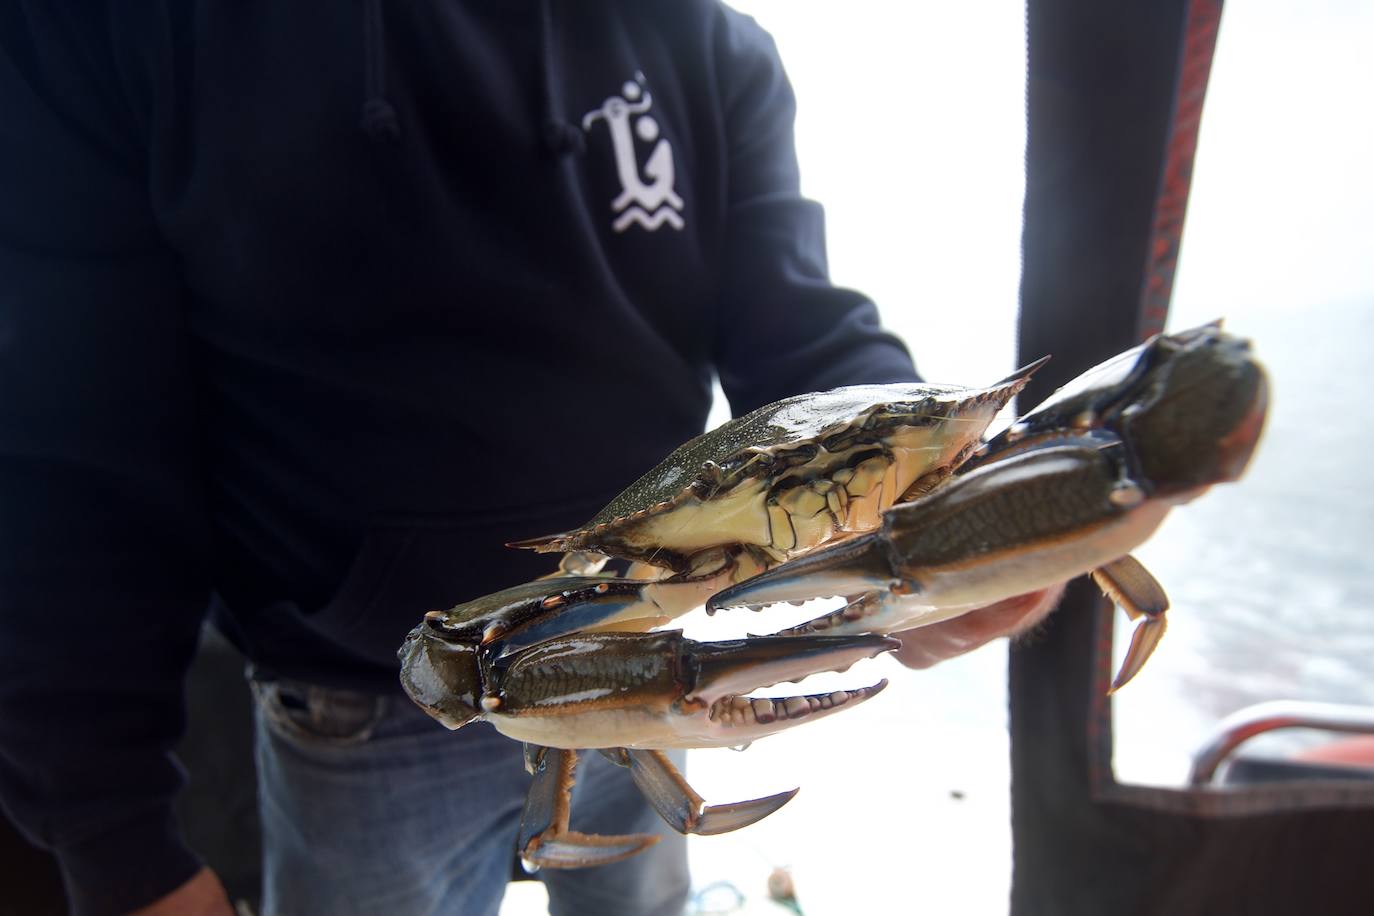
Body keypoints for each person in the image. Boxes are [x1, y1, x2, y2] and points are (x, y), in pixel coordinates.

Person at [0, 3, 1059, 914]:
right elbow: (74, 446)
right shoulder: (123, 24)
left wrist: (946, 497)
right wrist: (118, 846)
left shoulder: (701, 36)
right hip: (364, 717)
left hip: (659, 664)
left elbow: (807, 340)